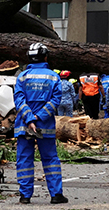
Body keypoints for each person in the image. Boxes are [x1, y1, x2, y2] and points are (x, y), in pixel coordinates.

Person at [14, 43, 67, 205]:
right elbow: (55, 101)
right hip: (45, 125)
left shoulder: (22, 76)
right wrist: (39, 117)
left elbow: (19, 100)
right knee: (50, 159)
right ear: (45, 57)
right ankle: (56, 195)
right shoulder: (53, 77)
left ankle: (25, 196)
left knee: (24, 160)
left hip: (24, 125)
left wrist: (30, 118)